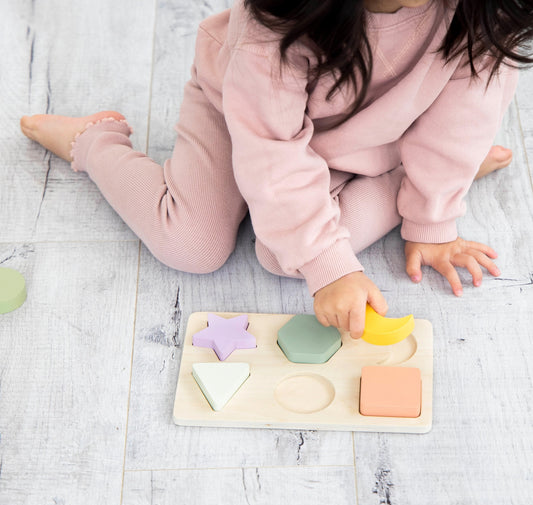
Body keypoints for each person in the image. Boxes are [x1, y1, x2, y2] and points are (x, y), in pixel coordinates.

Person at [20, 0, 533, 338]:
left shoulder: (485, 11)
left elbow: (465, 114)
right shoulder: (283, 16)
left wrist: (433, 217)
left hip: (373, 133)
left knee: (282, 255)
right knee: (191, 245)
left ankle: (431, 176)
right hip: (244, 114)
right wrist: (329, 266)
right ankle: (93, 142)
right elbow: (270, 147)